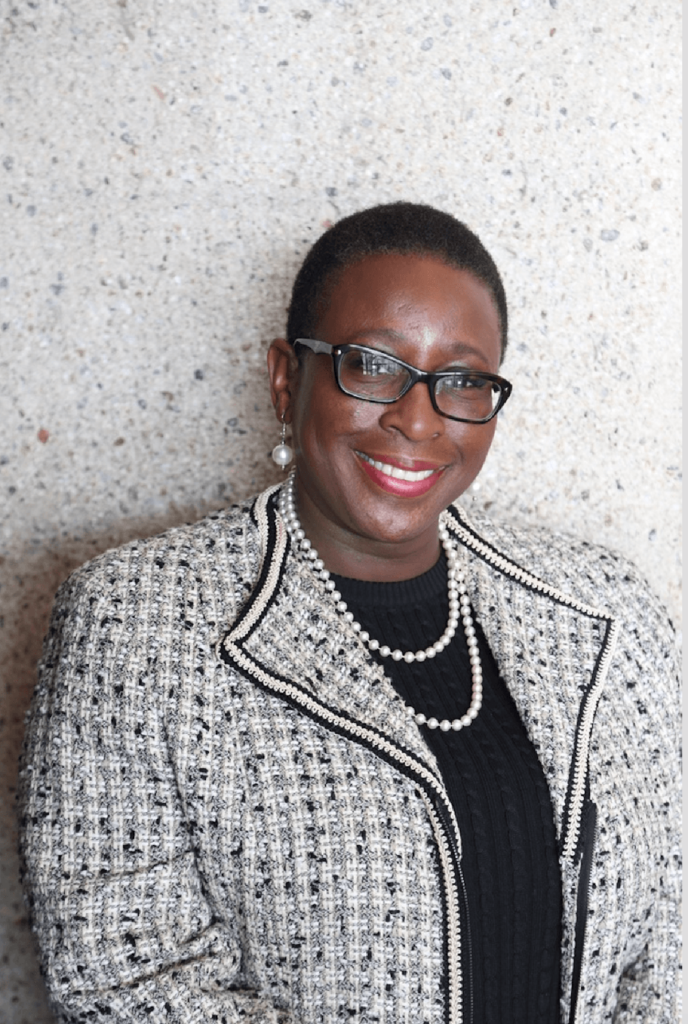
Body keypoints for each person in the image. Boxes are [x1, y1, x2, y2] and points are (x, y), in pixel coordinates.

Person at [18, 202, 680, 1024]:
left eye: (463, 381)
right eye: (372, 365)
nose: (417, 417)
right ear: (285, 379)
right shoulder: (137, 625)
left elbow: (669, 949)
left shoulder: (606, 612)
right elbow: (130, 980)